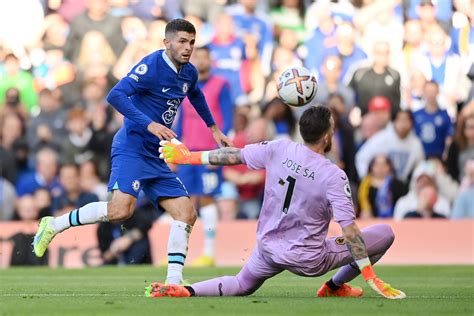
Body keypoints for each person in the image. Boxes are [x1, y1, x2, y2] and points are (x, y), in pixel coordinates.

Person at [32, 19, 232, 285]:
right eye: (182, 41)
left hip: (155, 153)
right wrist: (149, 124)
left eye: (192, 43)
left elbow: (195, 94)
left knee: (186, 213)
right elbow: (115, 95)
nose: (188, 48)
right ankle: (53, 225)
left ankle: (174, 282)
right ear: (167, 42)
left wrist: (214, 128)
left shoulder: (189, 72)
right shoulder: (151, 66)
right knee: (120, 211)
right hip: (132, 148)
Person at [148, 106, 406, 299]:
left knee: (241, 285)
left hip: (268, 248)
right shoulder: (333, 176)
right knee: (384, 234)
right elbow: (349, 231)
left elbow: (232, 156)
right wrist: (371, 277)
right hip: (308, 259)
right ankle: (334, 287)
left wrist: (188, 158)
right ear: (327, 137)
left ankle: (187, 290)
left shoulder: (279, 149)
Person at [175, 46, 234, 266]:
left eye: (203, 56)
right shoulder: (185, 86)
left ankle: (210, 253)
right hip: (187, 152)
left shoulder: (221, 85)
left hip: (209, 152)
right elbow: (181, 120)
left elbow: (227, 118)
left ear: (211, 60)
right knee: (184, 200)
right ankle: (181, 252)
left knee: (207, 198)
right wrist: (176, 147)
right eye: (196, 56)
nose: (199, 60)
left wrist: (221, 151)